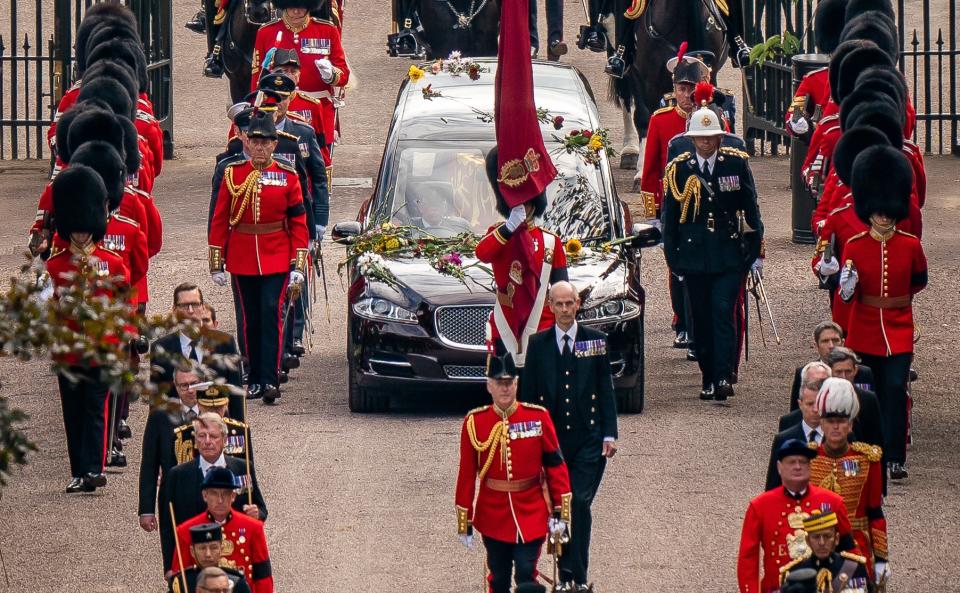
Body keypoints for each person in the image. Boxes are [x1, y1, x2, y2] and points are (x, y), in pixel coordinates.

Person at [661, 92, 763, 401]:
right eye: (701, 138)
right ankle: (707, 374)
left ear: (719, 137)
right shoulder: (679, 168)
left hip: (728, 252)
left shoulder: (735, 163)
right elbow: (672, 218)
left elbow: (751, 208)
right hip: (693, 255)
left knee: (722, 311)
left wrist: (753, 250)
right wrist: (673, 258)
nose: (706, 143)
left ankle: (722, 376)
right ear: (692, 139)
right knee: (701, 317)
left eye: (711, 138)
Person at [519, 281, 617, 589]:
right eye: (559, 304)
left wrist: (609, 434)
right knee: (558, 507)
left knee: (579, 504)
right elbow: (529, 397)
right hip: (553, 442)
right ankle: (565, 575)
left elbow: (605, 389)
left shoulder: (595, 341)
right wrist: (527, 438)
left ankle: (581, 575)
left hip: (589, 438)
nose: (565, 310)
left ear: (578, 304)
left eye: (570, 303)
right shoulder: (538, 344)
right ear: (550, 306)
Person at [208, 110, 310, 404]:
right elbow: (220, 218)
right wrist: (217, 261)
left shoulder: (288, 177)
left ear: (275, 144)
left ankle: (270, 377)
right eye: (255, 141)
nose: (261, 147)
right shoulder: (233, 173)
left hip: (277, 255)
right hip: (242, 256)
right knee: (249, 320)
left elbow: (298, 223)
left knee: (270, 314)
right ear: (247, 143)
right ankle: (253, 378)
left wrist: (298, 264)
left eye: (266, 142)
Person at [839, 145, 927, 480]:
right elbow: (849, 295)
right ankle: (865, 450)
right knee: (865, 392)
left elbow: (919, 280)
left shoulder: (910, 244)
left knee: (895, 389)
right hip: (864, 329)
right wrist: (847, 287)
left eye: (888, 210)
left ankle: (895, 455)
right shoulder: (855, 245)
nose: (884, 216)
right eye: (878, 210)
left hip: (899, 329)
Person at [44, 165, 131, 494]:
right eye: (76, 230)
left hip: (103, 347)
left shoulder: (113, 262)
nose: (81, 235)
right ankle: (78, 470)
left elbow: (125, 301)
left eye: (85, 229)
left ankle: (94, 468)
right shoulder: (55, 264)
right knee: (73, 412)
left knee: (95, 409)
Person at [455, 354, 572, 593]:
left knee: (526, 572)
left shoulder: (537, 417)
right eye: (499, 383)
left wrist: (561, 512)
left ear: (517, 384)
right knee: (498, 577)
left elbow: (555, 466)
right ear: (489, 386)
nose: (505, 388)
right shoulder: (474, 422)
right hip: (493, 514)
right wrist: (463, 521)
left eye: (509, 382)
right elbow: (467, 473)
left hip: (531, 511)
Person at [639, 46, 710, 353]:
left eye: (690, 89)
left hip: (704, 207)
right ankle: (681, 322)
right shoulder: (660, 120)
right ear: (674, 90)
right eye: (681, 89)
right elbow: (651, 169)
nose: (686, 95)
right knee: (677, 267)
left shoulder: (711, 119)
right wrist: (654, 212)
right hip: (673, 205)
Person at [476, 148, 568, 367]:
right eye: (516, 204)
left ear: (535, 203)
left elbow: (561, 288)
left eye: (526, 203)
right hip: (505, 323)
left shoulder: (550, 242)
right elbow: (482, 253)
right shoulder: (499, 234)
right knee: (504, 391)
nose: (522, 208)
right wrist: (509, 228)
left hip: (541, 325)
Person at [737, 439, 855, 593]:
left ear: (810, 466)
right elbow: (748, 559)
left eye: (803, 462)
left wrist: (844, 586)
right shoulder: (760, 506)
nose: (798, 466)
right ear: (779, 468)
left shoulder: (833, 502)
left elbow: (849, 551)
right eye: (791, 462)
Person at [159, 414, 267, 575]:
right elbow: (168, 523)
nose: (208, 441)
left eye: (214, 436)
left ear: (224, 439)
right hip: (194, 560)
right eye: (202, 436)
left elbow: (260, 508)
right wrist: (169, 566)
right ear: (195, 441)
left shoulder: (242, 468)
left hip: (236, 560)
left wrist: (257, 513)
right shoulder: (178, 474)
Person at [250, 0, 349, 170]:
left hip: (318, 113)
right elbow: (256, 81)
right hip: (278, 111)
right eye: (291, 6)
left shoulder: (327, 30)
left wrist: (331, 75)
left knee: (320, 169)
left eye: (301, 6)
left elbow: (344, 75)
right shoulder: (266, 32)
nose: (296, 11)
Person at [809, 378, 888, 580]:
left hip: (856, 552)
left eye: (841, 421)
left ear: (850, 424)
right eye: (830, 421)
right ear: (822, 424)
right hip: (814, 549)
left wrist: (881, 559)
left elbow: (875, 512)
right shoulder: (807, 458)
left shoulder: (868, 460)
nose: (836, 427)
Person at [139, 369, 204, 571]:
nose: (190, 390)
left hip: (209, 495)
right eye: (184, 385)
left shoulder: (216, 410)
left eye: (194, 384)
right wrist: (146, 509)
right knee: (175, 565)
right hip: (172, 498)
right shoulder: (160, 415)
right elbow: (149, 464)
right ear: (176, 387)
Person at [150, 282, 245, 420]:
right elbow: (156, 402)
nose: (190, 311)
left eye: (195, 304)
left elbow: (236, 395)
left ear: (202, 307)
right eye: (184, 306)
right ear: (174, 310)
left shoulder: (224, 343)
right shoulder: (162, 348)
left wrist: (239, 433)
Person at [172, 468, 273, 593]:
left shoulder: (253, 527)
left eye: (225, 493)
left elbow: (263, 576)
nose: (220, 500)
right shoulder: (185, 531)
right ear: (205, 495)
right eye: (214, 493)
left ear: (233, 496)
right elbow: (180, 579)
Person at [765, 363, 829, 490]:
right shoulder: (784, 438)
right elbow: (773, 486)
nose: (815, 409)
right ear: (800, 404)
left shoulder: (838, 436)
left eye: (819, 404)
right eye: (810, 404)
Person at [788, 321, 874, 410]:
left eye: (835, 340)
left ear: (843, 343)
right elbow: (795, 411)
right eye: (825, 341)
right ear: (816, 345)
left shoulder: (863, 373)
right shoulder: (805, 372)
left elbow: (870, 407)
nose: (831, 345)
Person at [780, 511, 872, 593]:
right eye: (816, 537)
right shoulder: (794, 572)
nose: (822, 543)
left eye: (827, 536)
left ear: (836, 539)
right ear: (807, 541)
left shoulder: (854, 567)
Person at [173, 383, 256, 473]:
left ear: (226, 405)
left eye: (218, 408)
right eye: (208, 408)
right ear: (199, 405)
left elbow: (247, 472)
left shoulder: (240, 431)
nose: (213, 414)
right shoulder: (182, 435)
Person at [825, 347, 885, 453]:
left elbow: (877, 441)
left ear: (855, 370)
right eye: (838, 372)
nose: (843, 377)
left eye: (848, 371)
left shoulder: (868, 399)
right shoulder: (821, 399)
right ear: (830, 371)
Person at [167, 524, 251, 593]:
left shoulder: (236, 582)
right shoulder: (182, 582)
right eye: (202, 548)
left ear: (221, 550)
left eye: (213, 548)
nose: (208, 554)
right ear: (192, 551)